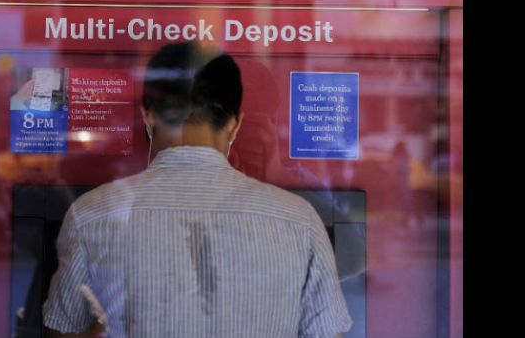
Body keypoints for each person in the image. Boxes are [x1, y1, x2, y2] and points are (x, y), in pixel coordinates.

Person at [43, 42, 352, 338]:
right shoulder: (299, 221)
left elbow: (64, 330)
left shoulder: (91, 214)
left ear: (148, 115)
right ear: (235, 124)